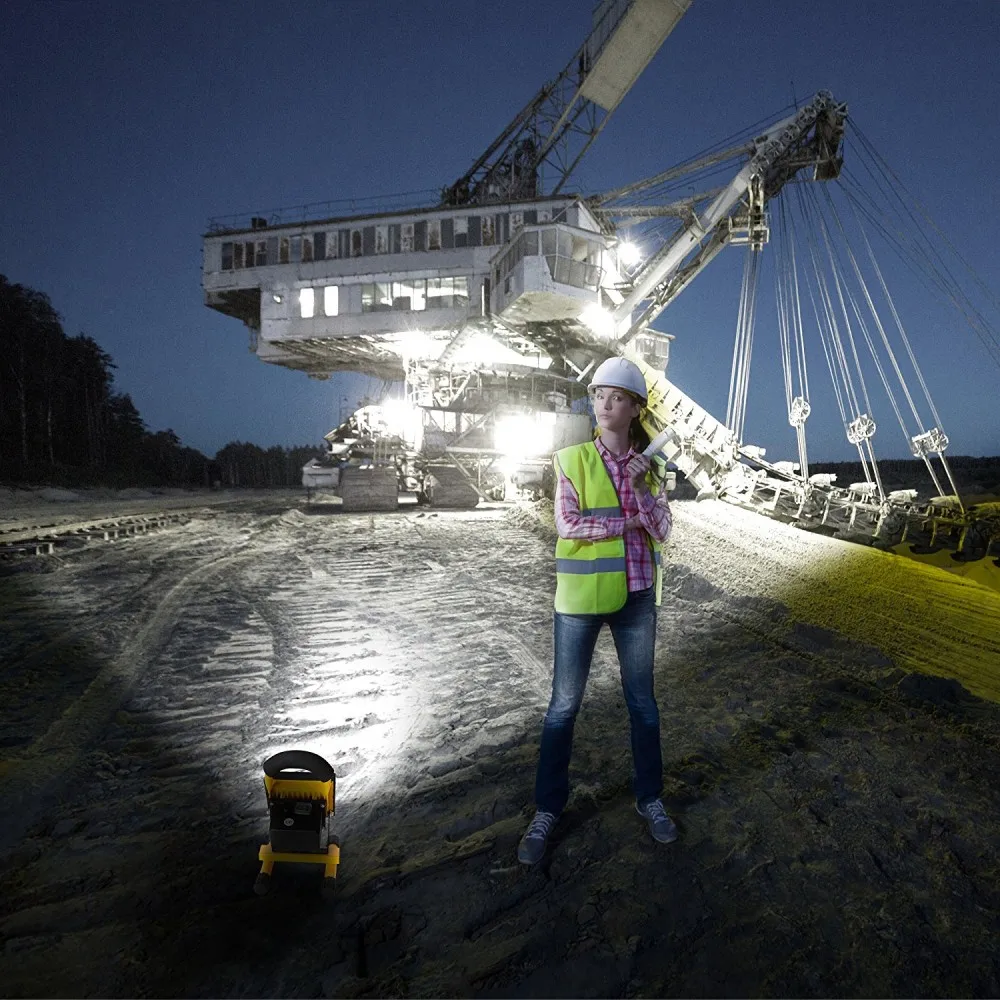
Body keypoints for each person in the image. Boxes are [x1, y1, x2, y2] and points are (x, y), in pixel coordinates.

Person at [518, 356, 677, 865]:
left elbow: (665, 529)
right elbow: (567, 523)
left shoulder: (650, 469)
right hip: (582, 600)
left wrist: (638, 489)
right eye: (598, 395)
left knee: (643, 707)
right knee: (563, 707)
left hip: (635, 599)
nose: (603, 403)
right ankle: (546, 810)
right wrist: (627, 524)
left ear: (634, 408)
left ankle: (650, 799)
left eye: (616, 397)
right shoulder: (571, 460)